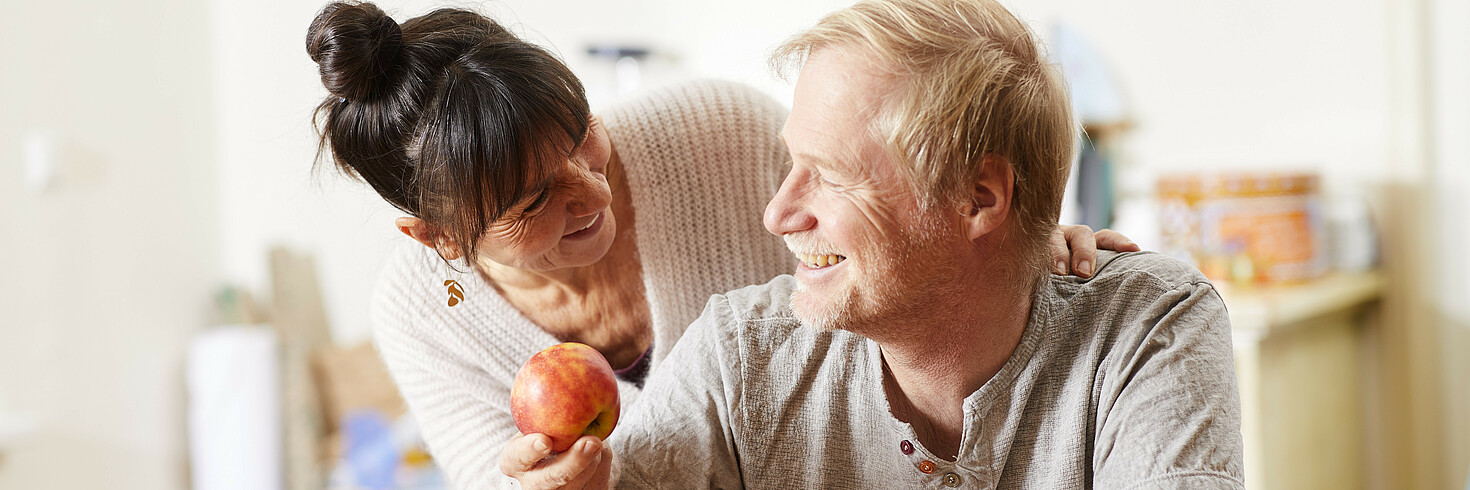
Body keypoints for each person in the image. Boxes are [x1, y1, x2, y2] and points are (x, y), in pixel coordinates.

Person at [305, 2, 1138, 488]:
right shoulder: (422, 312)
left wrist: (1015, 242)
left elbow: (892, 225)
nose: (590, 189)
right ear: (438, 237)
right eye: (534, 198)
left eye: (583, 136)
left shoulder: (715, 137)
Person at [498, 0, 1245, 488]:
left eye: (827, 177)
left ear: (980, 198)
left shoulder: (1149, 328)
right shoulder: (738, 354)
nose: (778, 214)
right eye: (791, 165)